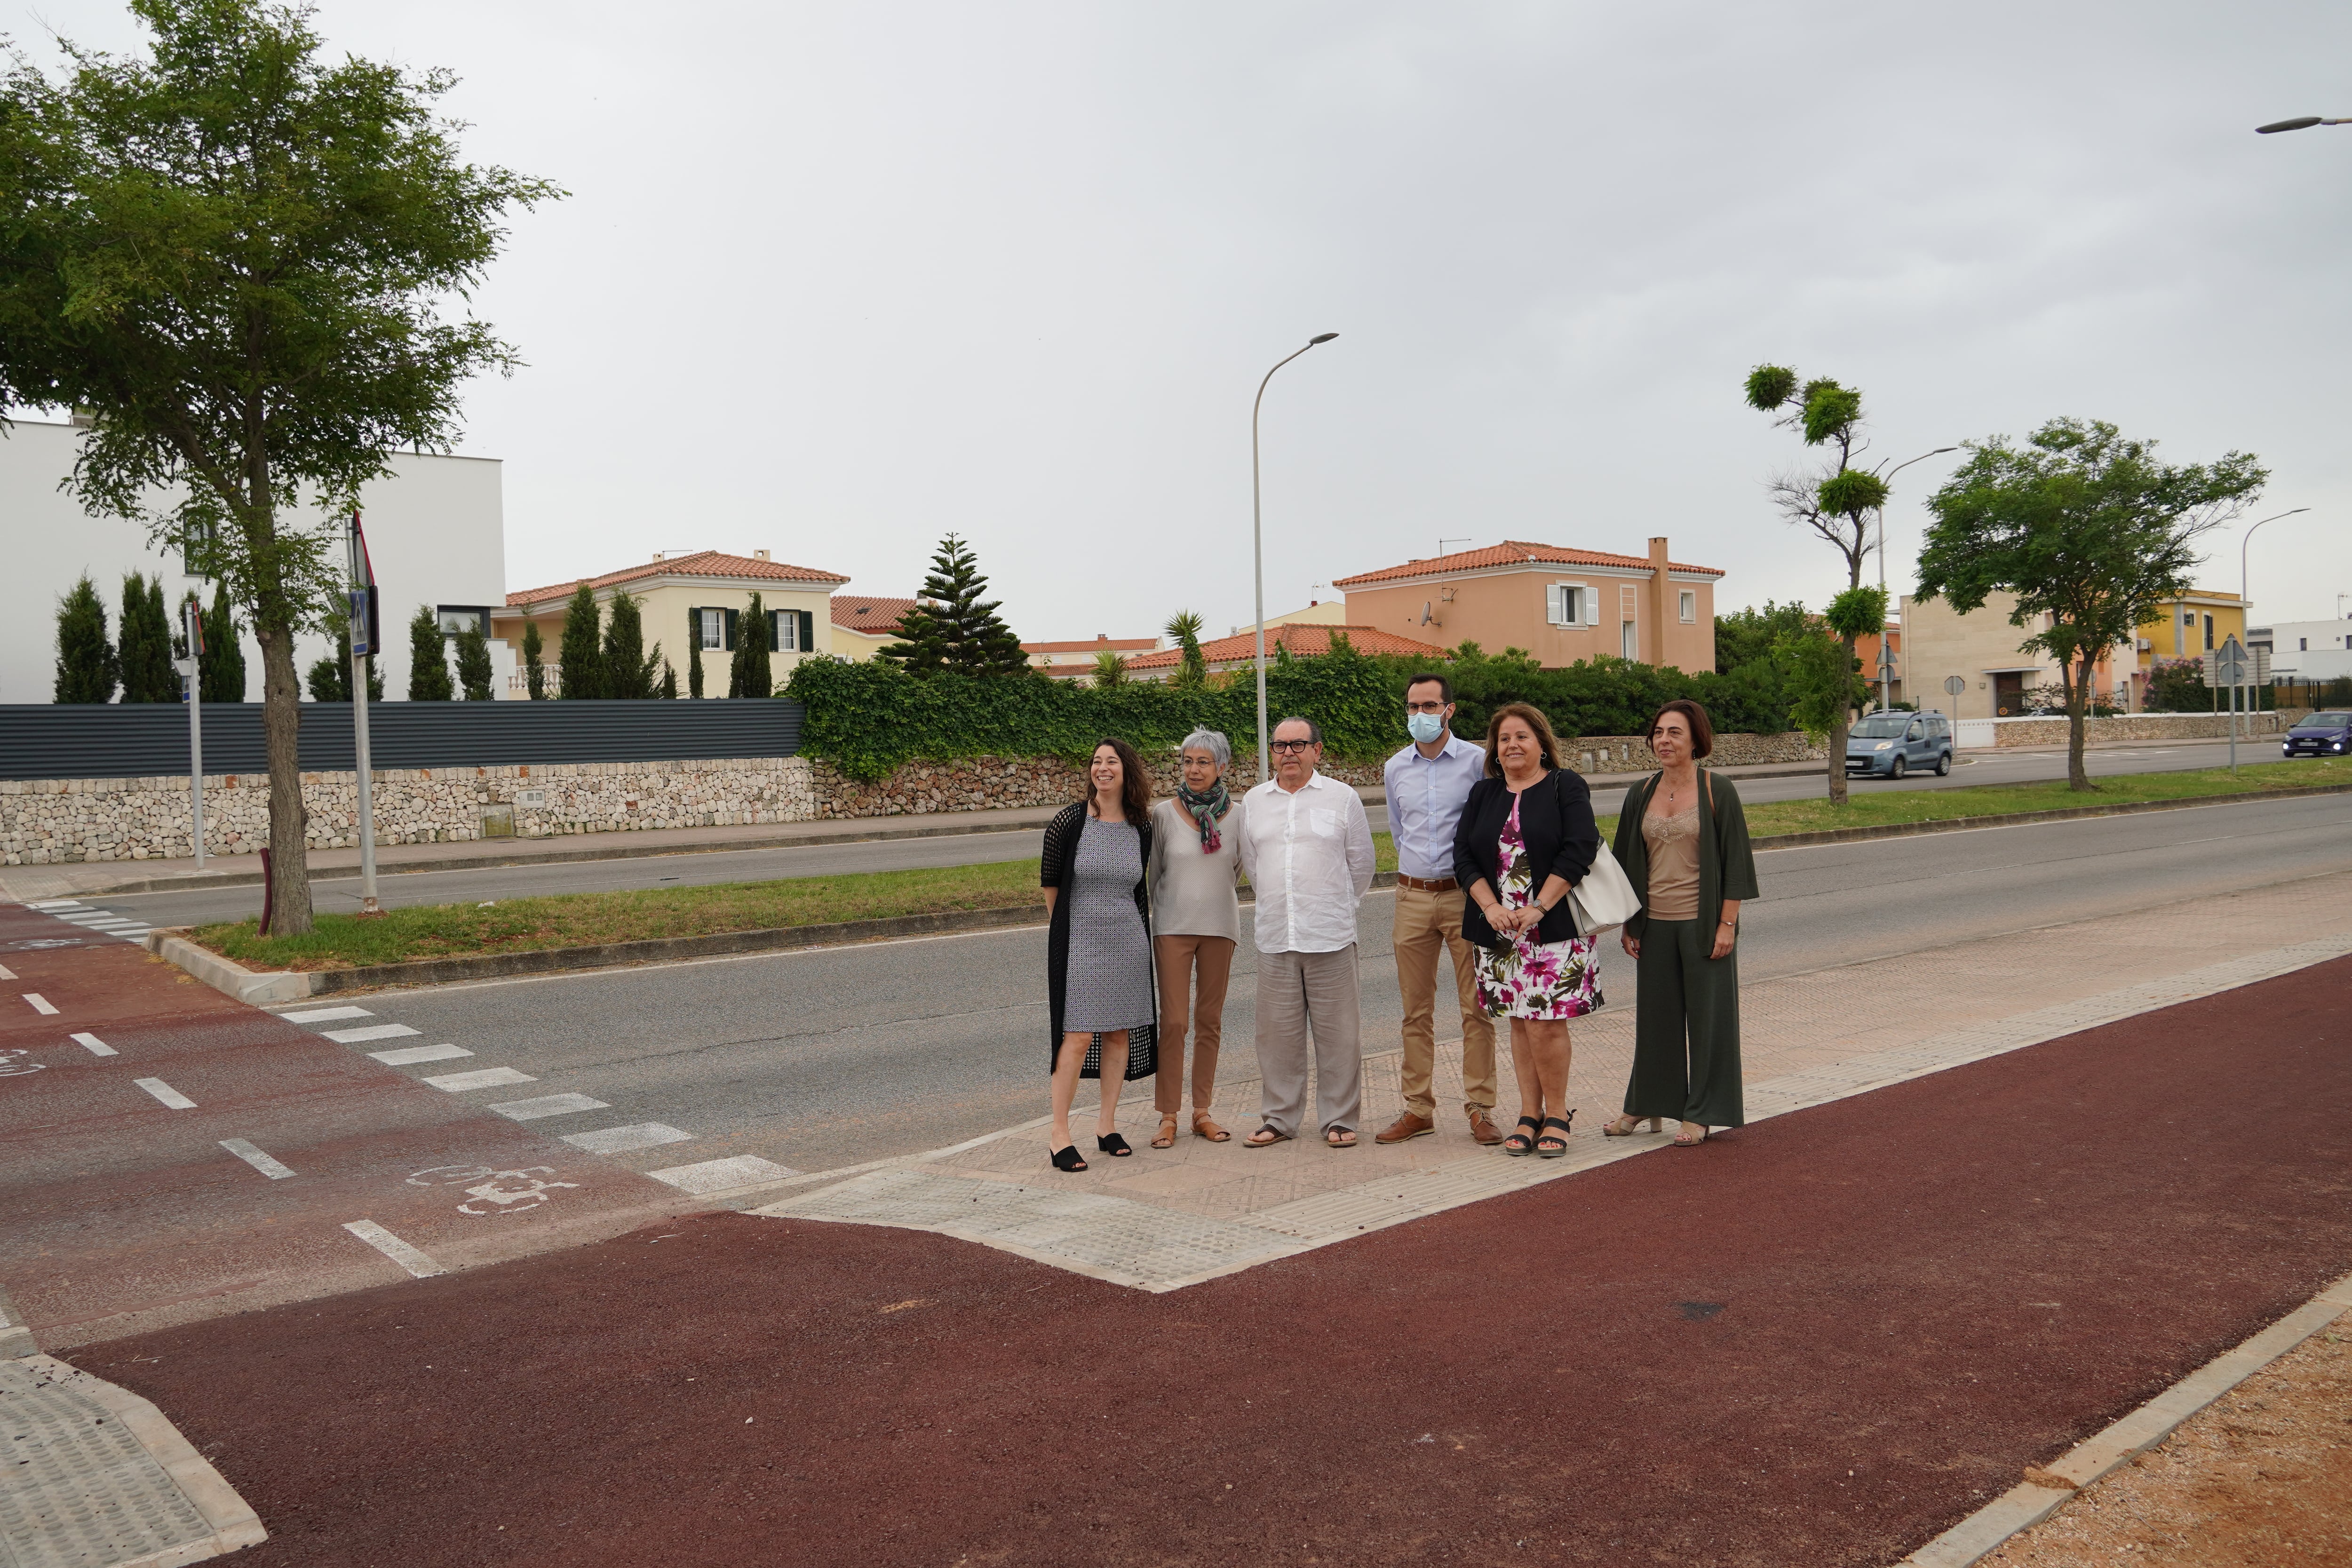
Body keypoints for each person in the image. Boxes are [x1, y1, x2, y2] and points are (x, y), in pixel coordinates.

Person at [1605, 699, 1757, 1147]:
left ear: (1696, 740)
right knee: (1656, 1021)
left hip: (1703, 925)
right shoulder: (1641, 792)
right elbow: (1625, 863)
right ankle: (1646, 1103)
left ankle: (1703, 1111)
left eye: (1674, 732)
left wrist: (1727, 924)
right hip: (1654, 926)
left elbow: (1737, 863)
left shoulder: (1718, 789)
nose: (1664, 740)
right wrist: (1629, 923)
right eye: (1658, 732)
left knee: (1710, 1022)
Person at [1453, 703, 1602, 1158]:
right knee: (1519, 1022)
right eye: (1503, 739)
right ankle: (1528, 1113)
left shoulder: (1565, 786)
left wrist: (1539, 906)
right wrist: (1490, 906)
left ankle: (1556, 1113)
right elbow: (1463, 856)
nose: (1512, 745)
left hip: (1550, 925)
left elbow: (1579, 850)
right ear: (1494, 751)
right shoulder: (1483, 794)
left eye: (1521, 736)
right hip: (1498, 928)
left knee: (1546, 1026)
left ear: (1541, 743)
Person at [1238, 716, 1376, 1149]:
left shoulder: (1342, 798)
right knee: (1277, 1037)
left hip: (1330, 935)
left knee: (1339, 1036)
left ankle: (1339, 1118)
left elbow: (1362, 864)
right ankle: (1279, 1118)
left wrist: (1336, 906)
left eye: (1298, 744)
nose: (1288, 753)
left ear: (1318, 750)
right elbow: (1254, 866)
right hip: (1277, 935)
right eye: (1280, 746)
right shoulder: (1255, 801)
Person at [1376, 673, 1502, 1147]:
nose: (1419, 716)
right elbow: (1396, 829)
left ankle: (1479, 1107)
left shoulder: (1476, 762)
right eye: (1412, 707)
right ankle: (1417, 1109)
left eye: (1429, 706)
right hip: (1410, 896)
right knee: (1415, 1011)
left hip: (1464, 896)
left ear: (1449, 709)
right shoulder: (1395, 768)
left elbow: (1488, 827)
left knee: (1476, 1007)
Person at [1041, 738, 1159, 1172]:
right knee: (1077, 1037)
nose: (1102, 768)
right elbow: (1051, 883)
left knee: (1118, 1035)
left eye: (1112, 762)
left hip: (1127, 940)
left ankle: (1106, 1126)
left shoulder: (1140, 825)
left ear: (1127, 771)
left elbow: (1138, 885)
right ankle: (1059, 1134)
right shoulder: (1070, 821)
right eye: (1096, 761)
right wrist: (1067, 933)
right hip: (1080, 941)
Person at [1146, 729, 1244, 1147]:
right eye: (1188, 761)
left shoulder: (1240, 815)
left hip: (1221, 927)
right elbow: (1152, 875)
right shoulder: (1163, 815)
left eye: (1203, 762)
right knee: (1174, 1022)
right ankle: (1168, 1114)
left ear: (1222, 767)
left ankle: (1201, 1111)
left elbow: (1237, 869)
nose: (1194, 769)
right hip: (1172, 927)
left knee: (1209, 1022)